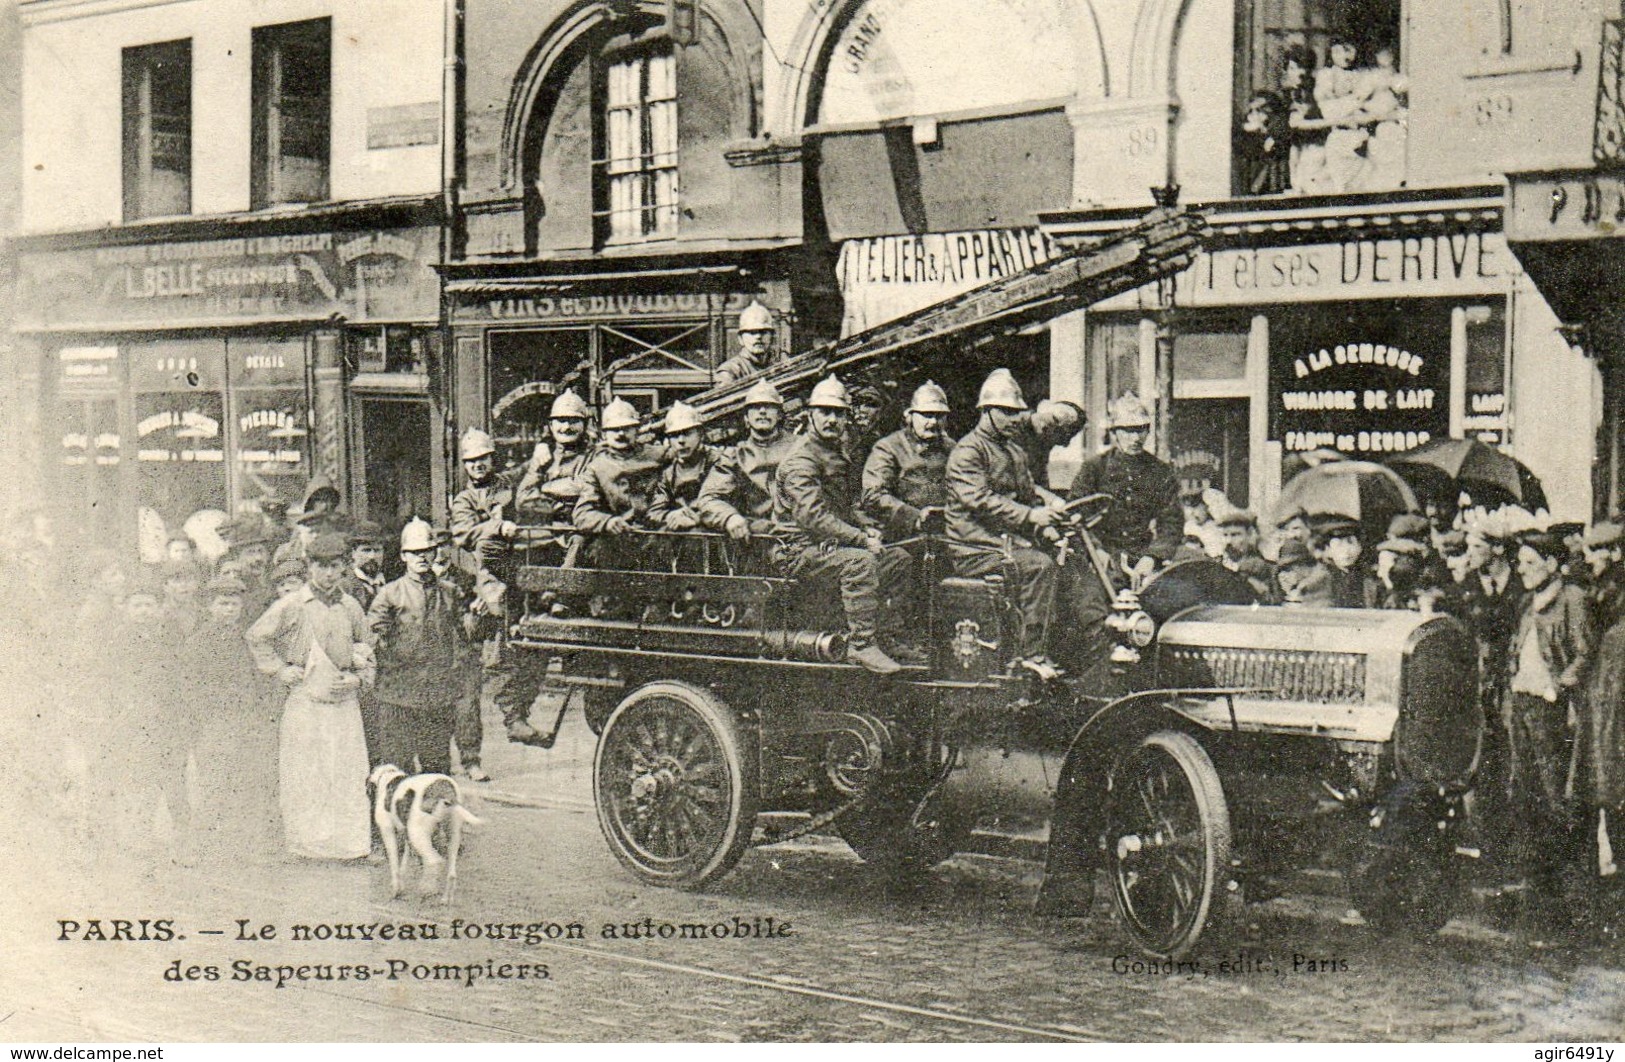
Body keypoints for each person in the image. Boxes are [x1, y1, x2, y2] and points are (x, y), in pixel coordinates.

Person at [244, 532, 375, 862]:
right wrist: (278, 669)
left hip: (344, 703)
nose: (328, 574)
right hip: (305, 700)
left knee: (346, 772)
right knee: (306, 773)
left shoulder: (351, 606)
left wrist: (357, 679)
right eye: (321, 566)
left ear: (345, 568)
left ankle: (350, 845)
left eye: (335, 567)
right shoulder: (291, 605)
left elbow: (369, 649)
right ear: (309, 568)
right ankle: (307, 845)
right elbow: (257, 637)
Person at [772, 376, 912, 675]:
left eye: (838, 413)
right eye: (824, 412)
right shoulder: (802, 460)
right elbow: (814, 517)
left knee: (898, 559)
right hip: (797, 551)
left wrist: (867, 526)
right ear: (810, 414)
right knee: (860, 563)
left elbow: (847, 506)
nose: (832, 419)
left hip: (827, 546)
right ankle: (861, 644)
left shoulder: (833, 452)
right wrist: (862, 539)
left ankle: (888, 636)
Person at [946, 368, 1064, 674]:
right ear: (986, 411)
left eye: (1017, 413)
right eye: (1007, 412)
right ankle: (1030, 655)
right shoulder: (967, 451)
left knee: (1069, 560)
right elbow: (980, 500)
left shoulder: (1014, 450)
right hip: (973, 546)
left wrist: (1049, 507)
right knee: (1039, 566)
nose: (1015, 419)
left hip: (1009, 543)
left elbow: (1026, 493)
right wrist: (1031, 516)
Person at [1506, 530, 1594, 940]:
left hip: (1551, 711)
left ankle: (1574, 912)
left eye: (1529, 562)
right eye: (1519, 563)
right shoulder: (1529, 603)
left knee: (1559, 803)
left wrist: (1559, 687)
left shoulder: (1571, 599)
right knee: (1527, 802)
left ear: (1553, 564)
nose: (1521, 569)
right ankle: (1538, 907)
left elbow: (1584, 652)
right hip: (1522, 708)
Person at [451, 425, 550, 747]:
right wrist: (496, 527)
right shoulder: (464, 500)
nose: (478, 465)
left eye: (483, 458)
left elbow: (529, 470)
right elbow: (464, 536)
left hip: (524, 572)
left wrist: (540, 454)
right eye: (472, 461)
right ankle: (512, 718)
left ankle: (522, 714)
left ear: (493, 458)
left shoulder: (507, 482)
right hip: (495, 579)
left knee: (537, 648)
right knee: (504, 652)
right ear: (465, 465)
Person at [369, 519, 465, 776]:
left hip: (437, 694)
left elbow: (464, 637)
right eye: (414, 552)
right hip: (398, 694)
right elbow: (374, 635)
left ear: (435, 552)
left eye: (427, 551)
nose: (421, 557)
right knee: (397, 768)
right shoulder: (390, 594)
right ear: (403, 556)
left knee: (436, 769)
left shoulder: (450, 593)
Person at [1068, 392, 1180, 582]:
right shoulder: (1094, 467)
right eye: (1128, 430)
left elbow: (1171, 522)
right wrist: (1095, 551)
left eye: (1141, 429)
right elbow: (1076, 515)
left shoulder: (1161, 472)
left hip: (1143, 554)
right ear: (1114, 433)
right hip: (1101, 554)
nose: (1135, 437)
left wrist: (1153, 556)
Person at [697, 379, 799, 550]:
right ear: (746, 418)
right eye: (755, 407)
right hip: (757, 539)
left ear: (780, 414)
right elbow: (709, 498)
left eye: (769, 406)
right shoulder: (735, 456)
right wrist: (729, 517)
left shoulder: (801, 447)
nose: (762, 411)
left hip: (800, 535)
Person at [574, 398, 666, 571]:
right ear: (604, 434)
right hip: (618, 538)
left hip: (656, 534)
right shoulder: (596, 467)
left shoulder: (659, 455)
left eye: (626, 428)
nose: (620, 434)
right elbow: (582, 513)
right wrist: (607, 522)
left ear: (637, 429)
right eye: (614, 430)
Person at [861, 380, 951, 542]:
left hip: (948, 531)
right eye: (927, 415)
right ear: (910, 416)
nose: (933, 422)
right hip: (904, 534)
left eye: (939, 416)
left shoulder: (952, 448)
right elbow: (873, 496)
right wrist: (913, 517)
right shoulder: (888, 447)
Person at [713, 301, 781, 386]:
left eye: (763, 332)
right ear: (740, 338)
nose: (758, 336)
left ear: (772, 337)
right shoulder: (730, 371)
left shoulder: (778, 366)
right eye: (752, 332)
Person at [1308, 514, 1368, 608]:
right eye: (1338, 544)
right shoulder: (1322, 579)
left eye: (1350, 542)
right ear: (1328, 551)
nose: (1346, 550)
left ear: (1360, 547)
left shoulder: (1366, 577)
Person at [1217, 509, 1275, 600]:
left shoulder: (1261, 566)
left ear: (1249, 535)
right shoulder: (1217, 564)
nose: (1228, 541)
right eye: (1225, 535)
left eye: (1235, 535)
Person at [1582, 521, 1625, 635]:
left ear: (1612, 553)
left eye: (1594, 551)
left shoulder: (1616, 583)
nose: (1588, 559)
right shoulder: (1598, 581)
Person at [339, 520, 387, 612]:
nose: (372, 556)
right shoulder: (344, 586)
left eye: (377, 550)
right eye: (366, 550)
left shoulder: (390, 583)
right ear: (353, 552)